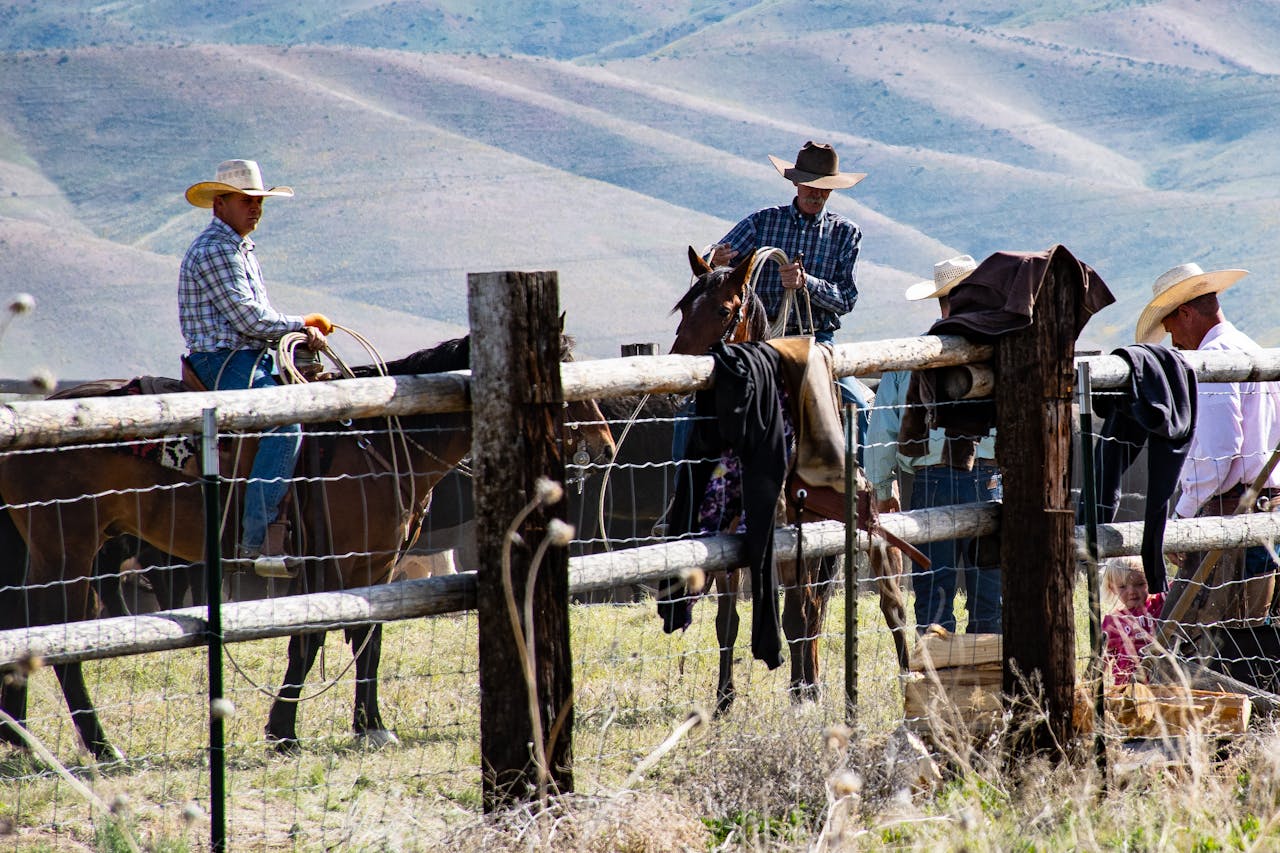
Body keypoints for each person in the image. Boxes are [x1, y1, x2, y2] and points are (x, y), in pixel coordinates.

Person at [180, 159, 333, 574]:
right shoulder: (215, 250)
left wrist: (295, 331)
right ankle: (256, 540)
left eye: (259, 201)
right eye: (246, 201)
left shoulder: (239, 248)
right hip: (222, 361)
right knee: (285, 426)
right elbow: (249, 319)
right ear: (220, 204)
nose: (256, 209)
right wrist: (302, 323)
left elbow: (257, 316)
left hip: (249, 356)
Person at [700, 141, 871, 457]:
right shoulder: (763, 222)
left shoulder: (845, 233)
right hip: (758, 341)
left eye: (824, 188)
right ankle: (687, 478)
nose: (816, 194)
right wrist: (714, 260)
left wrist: (808, 284)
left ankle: (854, 485)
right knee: (697, 400)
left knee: (855, 405)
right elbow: (715, 261)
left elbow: (847, 298)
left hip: (816, 340)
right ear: (796, 183)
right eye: (810, 186)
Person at [1134, 263, 1280, 627]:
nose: (1174, 342)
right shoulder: (1252, 349)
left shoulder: (1212, 361)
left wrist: (1182, 518)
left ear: (1185, 313)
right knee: (1248, 630)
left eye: (1172, 330)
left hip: (1230, 513)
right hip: (1263, 510)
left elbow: (1218, 453)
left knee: (1201, 634)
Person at [864, 255, 1001, 634]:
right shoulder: (1000, 350)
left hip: (931, 480)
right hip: (990, 477)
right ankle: (992, 684)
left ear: (942, 304)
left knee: (934, 591)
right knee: (990, 589)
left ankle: (937, 685)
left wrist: (878, 489)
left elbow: (882, 430)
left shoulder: (914, 355)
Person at [1100, 556, 1165, 685]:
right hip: (1127, 686)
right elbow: (1101, 661)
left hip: (1161, 683)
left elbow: (1183, 583)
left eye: (1140, 584)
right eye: (1123, 587)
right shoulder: (1113, 621)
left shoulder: (1159, 603)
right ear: (1112, 589)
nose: (1132, 592)